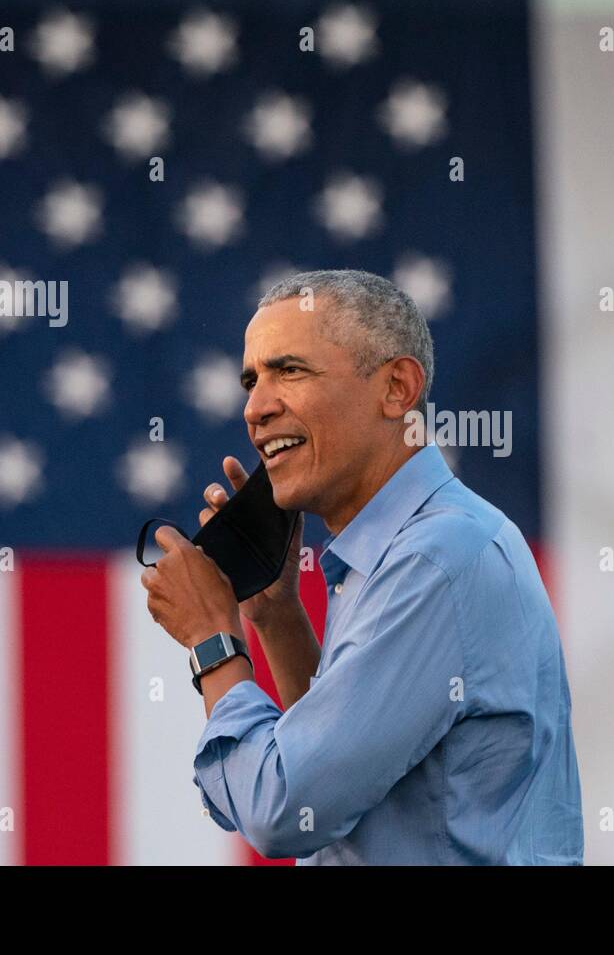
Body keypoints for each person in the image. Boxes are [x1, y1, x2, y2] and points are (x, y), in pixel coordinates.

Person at [140, 269, 583, 864]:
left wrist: (213, 642)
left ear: (397, 388)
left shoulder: (437, 559)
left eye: (289, 370)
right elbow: (338, 790)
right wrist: (275, 617)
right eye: (251, 380)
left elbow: (281, 809)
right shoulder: (414, 546)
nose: (255, 408)